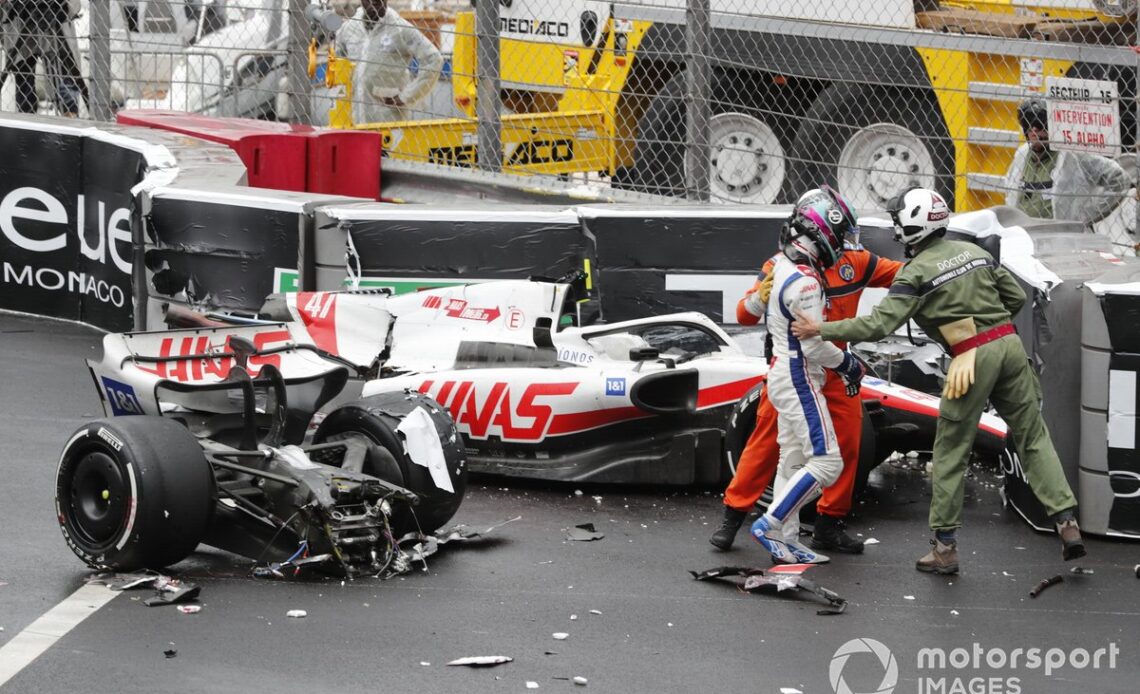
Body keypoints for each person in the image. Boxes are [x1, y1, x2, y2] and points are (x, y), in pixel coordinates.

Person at [791, 187, 1086, 575]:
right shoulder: (979, 254)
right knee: (1033, 438)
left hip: (969, 360)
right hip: (1009, 347)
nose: (896, 229)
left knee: (950, 452)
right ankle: (1067, 523)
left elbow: (877, 325)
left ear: (913, 227)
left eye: (899, 222)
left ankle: (944, 548)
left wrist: (820, 328)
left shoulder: (914, 273)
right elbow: (1013, 298)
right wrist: (986, 325)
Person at [710, 187, 904, 557]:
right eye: (841, 232)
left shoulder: (857, 261)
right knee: (766, 443)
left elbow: (905, 275)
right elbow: (743, 315)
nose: (847, 241)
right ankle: (734, 515)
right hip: (797, 367)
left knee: (846, 444)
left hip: (835, 372)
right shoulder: (781, 265)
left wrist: (942, 265)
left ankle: (829, 526)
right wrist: (760, 297)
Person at [745, 191, 869, 564]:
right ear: (823, 232)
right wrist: (849, 364)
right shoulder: (807, 281)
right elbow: (814, 345)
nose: (844, 244)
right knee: (828, 463)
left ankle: (787, 539)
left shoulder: (783, 263)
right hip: (800, 376)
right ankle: (770, 523)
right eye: (840, 235)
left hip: (786, 373)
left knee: (793, 460)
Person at [1005, 97, 1128, 224]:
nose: (1034, 130)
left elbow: (1119, 178)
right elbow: (1009, 188)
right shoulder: (1022, 154)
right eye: (1029, 124)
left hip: (1058, 237)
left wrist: (1085, 216)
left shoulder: (1070, 155)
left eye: (1040, 123)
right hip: (1023, 234)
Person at [335, 0, 443, 124]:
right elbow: (338, 55)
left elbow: (433, 59)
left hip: (388, 120)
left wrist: (407, 96)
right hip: (354, 116)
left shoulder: (399, 28)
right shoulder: (350, 27)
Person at [0, 0, 87, 115]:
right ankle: (26, 119)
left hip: (55, 12)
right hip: (19, 15)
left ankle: (69, 118)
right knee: (24, 77)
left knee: (64, 74)